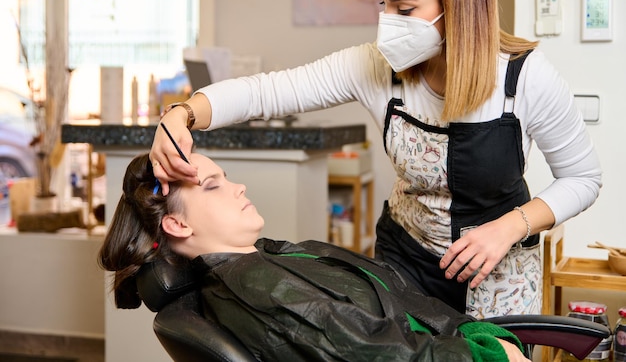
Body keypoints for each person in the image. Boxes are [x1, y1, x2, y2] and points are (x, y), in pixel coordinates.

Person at [149, 0, 602, 317]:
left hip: (501, 274)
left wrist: (509, 226)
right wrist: (183, 114)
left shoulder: (525, 78)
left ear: (460, 4)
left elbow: (583, 178)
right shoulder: (375, 68)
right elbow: (265, 92)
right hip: (405, 262)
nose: (388, 23)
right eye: (384, 4)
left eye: (405, 8)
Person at [98, 152, 530, 361]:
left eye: (227, 178)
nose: (239, 187)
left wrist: (474, 334)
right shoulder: (256, 288)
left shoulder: (269, 261)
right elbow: (373, 355)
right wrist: (489, 354)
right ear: (177, 226)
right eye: (213, 186)